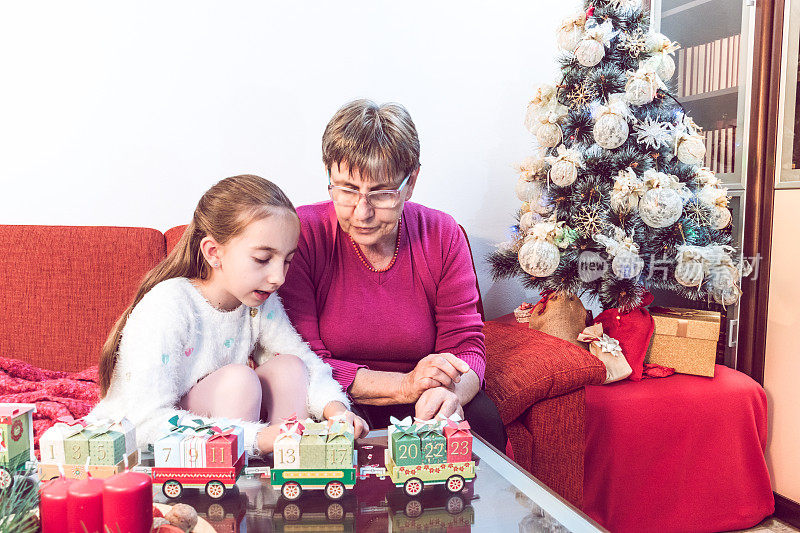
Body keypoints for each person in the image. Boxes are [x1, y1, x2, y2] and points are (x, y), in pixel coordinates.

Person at [279, 100, 507, 450]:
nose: (362, 212)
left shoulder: (442, 233)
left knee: (483, 422)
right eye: (347, 189)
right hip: (338, 396)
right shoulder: (304, 233)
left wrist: (450, 395)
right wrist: (404, 385)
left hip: (428, 394)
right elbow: (304, 359)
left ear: (410, 182)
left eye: (381, 193)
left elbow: (466, 346)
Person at [90, 175, 368, 456]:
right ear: (214, 253)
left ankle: (291, 468)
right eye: (262, 259)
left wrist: (337, 410)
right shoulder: (168, 304)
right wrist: (258, 438)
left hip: (223, 426)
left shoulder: (258, 302)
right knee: (240, 381)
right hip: (149, 440)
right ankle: (236, 484)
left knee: (291, 367)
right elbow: (145, 421)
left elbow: (304, 361)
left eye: (286, 261)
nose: (278, 277)